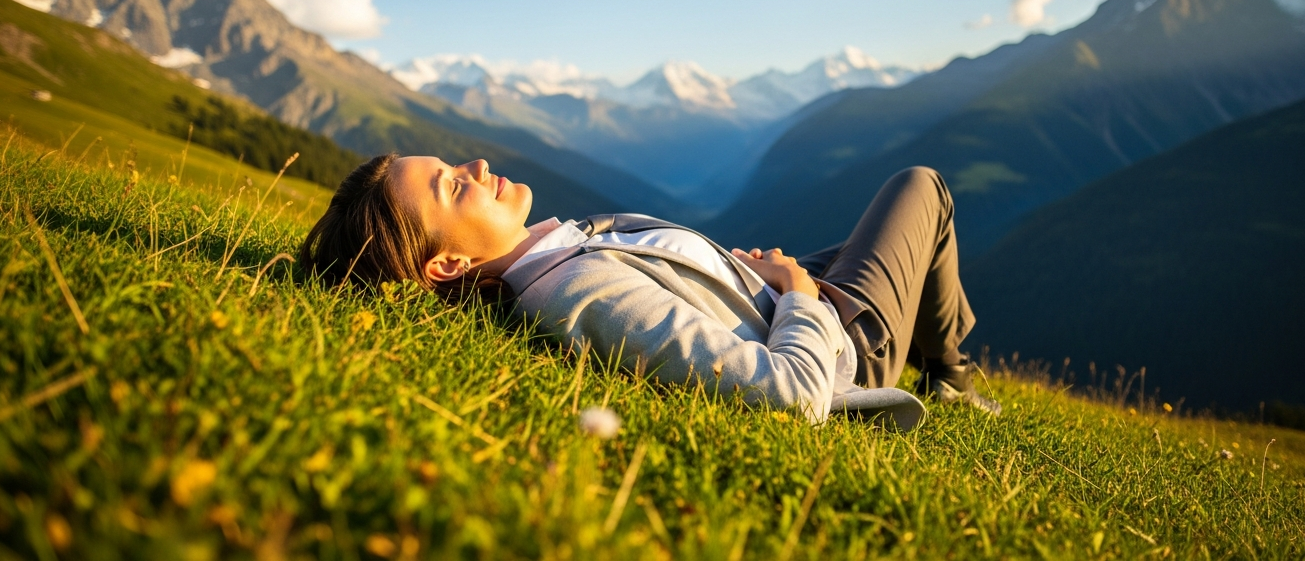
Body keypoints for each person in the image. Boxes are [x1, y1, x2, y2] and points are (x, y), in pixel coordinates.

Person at [298, 154, 1000, 430]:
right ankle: (950, 374)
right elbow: (792, 395)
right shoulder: (577, 290)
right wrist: (799, 295)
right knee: (923, 187)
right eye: (455, 186)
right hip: (843, 343)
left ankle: (946, 363)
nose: (477, 165)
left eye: (455, 165)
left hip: (762, 291)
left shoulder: (545, 251)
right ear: (448, 264)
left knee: (899, 228)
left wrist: (749, 274)